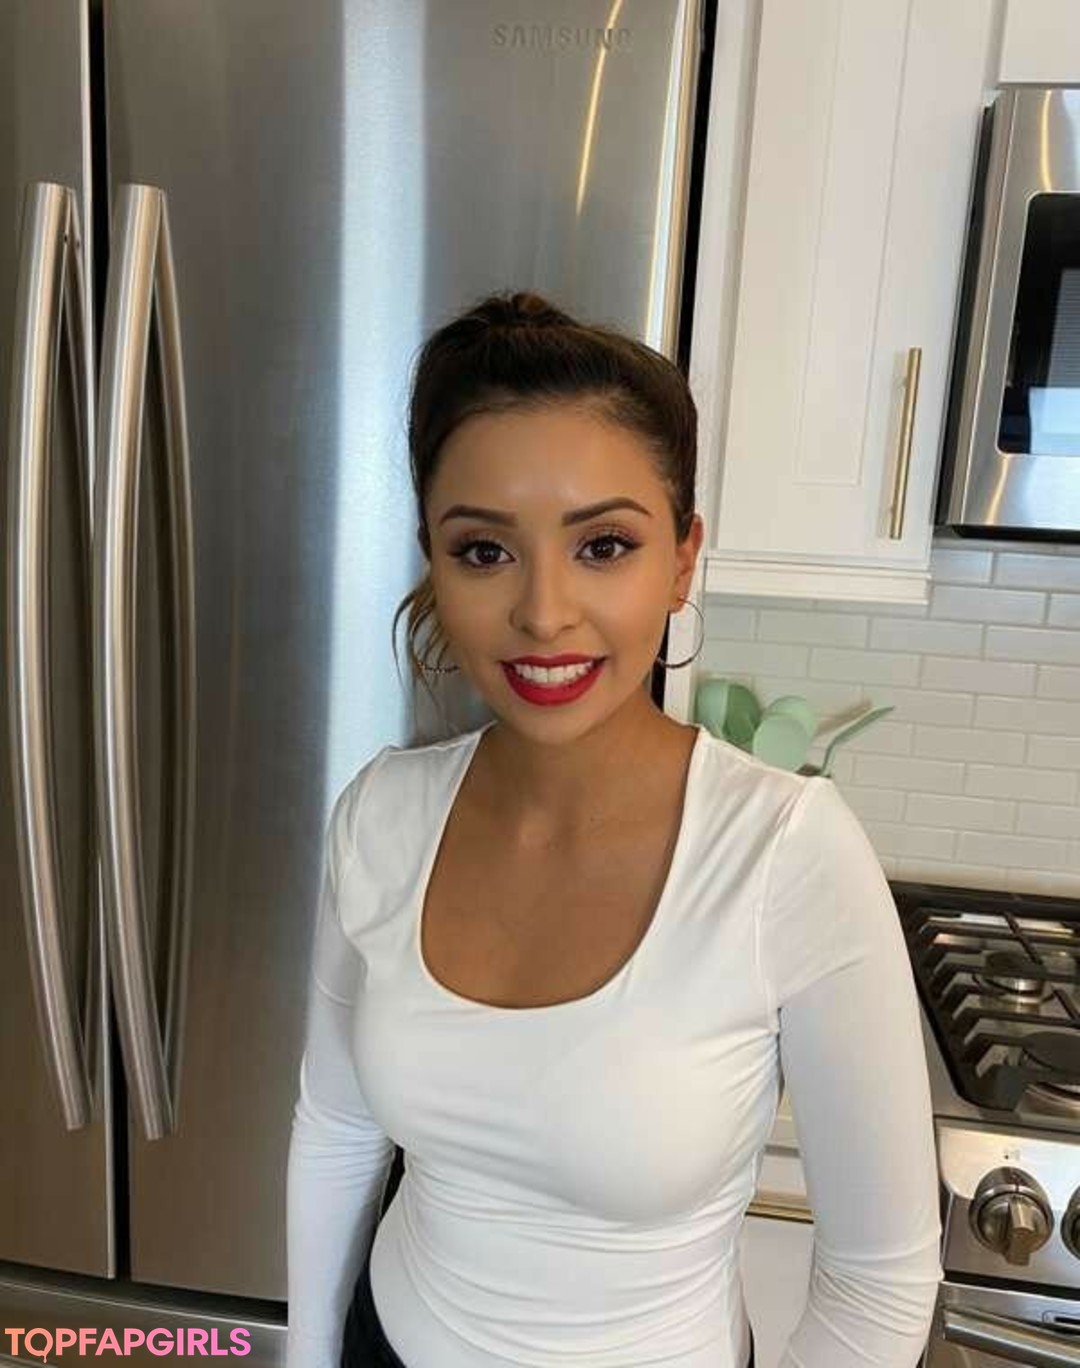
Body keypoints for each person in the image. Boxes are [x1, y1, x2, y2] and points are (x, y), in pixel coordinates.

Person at [285, 292, 942, 1368]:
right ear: (433, 562)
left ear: (682, 559)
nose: (544, 613)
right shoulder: (382, 815)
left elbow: (877, 1287)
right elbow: (338, 1127)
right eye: (484, 551)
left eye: (603, 545)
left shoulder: (786, 854)